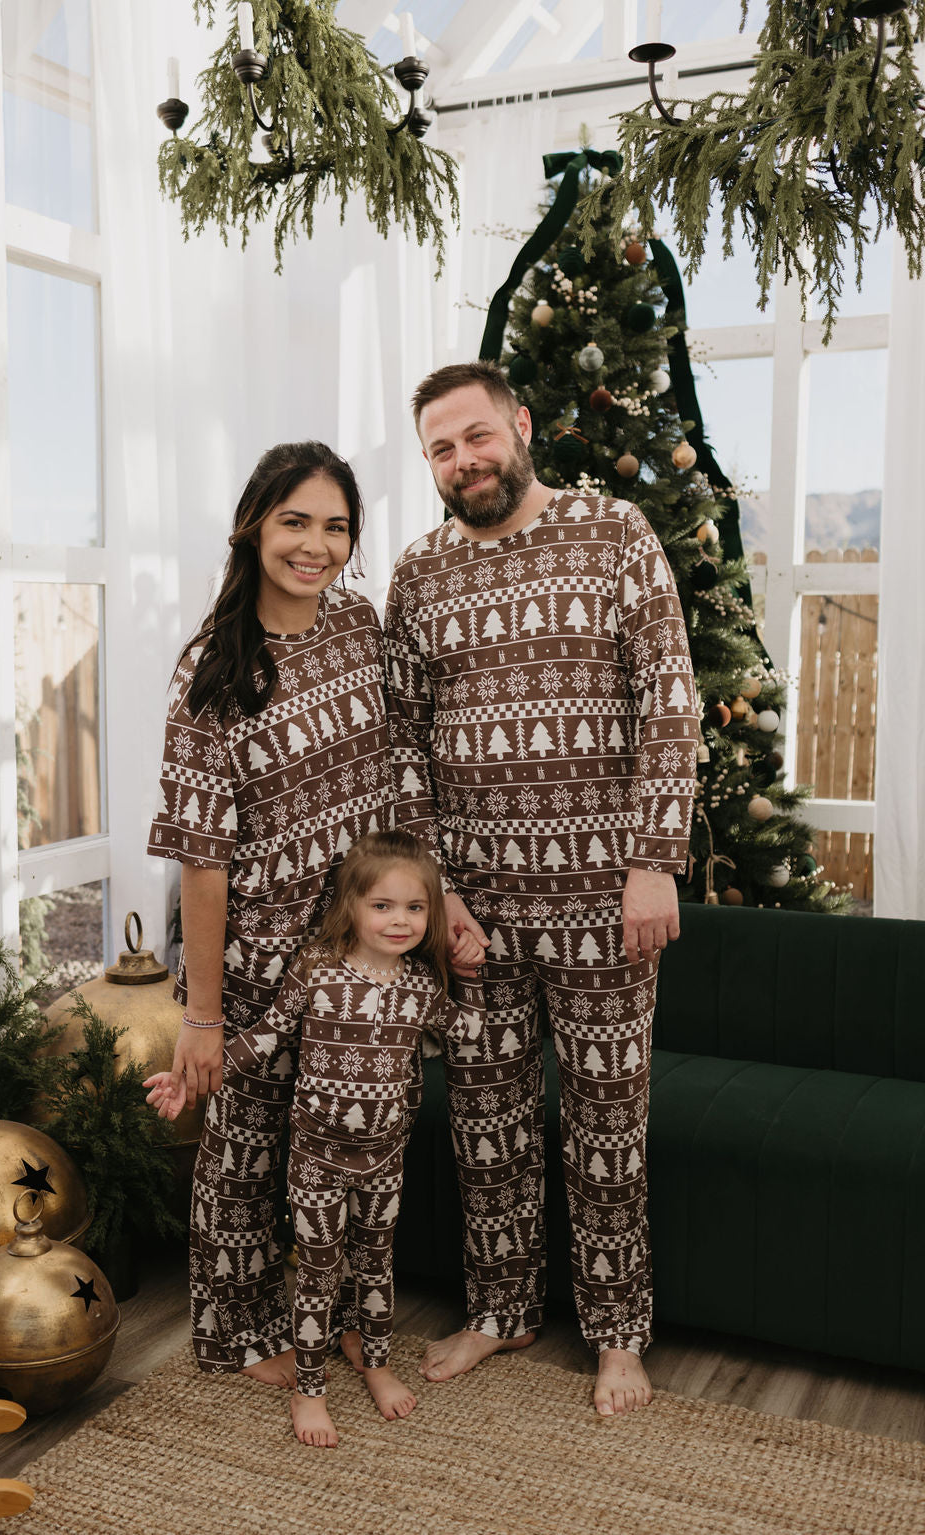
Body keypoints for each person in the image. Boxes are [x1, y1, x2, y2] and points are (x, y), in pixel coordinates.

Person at [384, 360, 700, 1415]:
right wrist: (435, 893)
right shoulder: (417, 574)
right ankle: (502, 1305)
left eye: (476, 435)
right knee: (486, 1122)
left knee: (607, 1124)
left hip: (607, 900)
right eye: (441, 447)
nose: (463, 459)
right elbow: (403, 746)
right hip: (474, 905)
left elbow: (669, 700)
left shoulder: (616, 533)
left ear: (519, 424)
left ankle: (617, 1333)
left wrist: (653, 858)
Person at [144, 441, 405, 1387]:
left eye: (337, 526)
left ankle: (329, 1315)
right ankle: (238, 1332)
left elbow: (387, 775)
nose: (317, 545)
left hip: (354, 951)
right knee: (245, 1156)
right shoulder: (209, 673)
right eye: (297, 521)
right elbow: (201, 863)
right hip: (253, 954)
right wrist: (204, 1014)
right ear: (255, 524)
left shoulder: (359, 627)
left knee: (337, 1148)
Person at [147, 830, 482, 1447]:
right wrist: (187, 1081)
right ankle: (311, 1389)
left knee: (378, 1266)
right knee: (319, 1272)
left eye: (415, 908)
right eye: (382, 905)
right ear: (351, 904)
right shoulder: (316, 968)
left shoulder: (420, 986)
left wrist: (471, 973)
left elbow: (469, 1033)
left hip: (383, 1161)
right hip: (317, 1160)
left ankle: (378, 1365)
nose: (400, 921)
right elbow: (265, 1038)